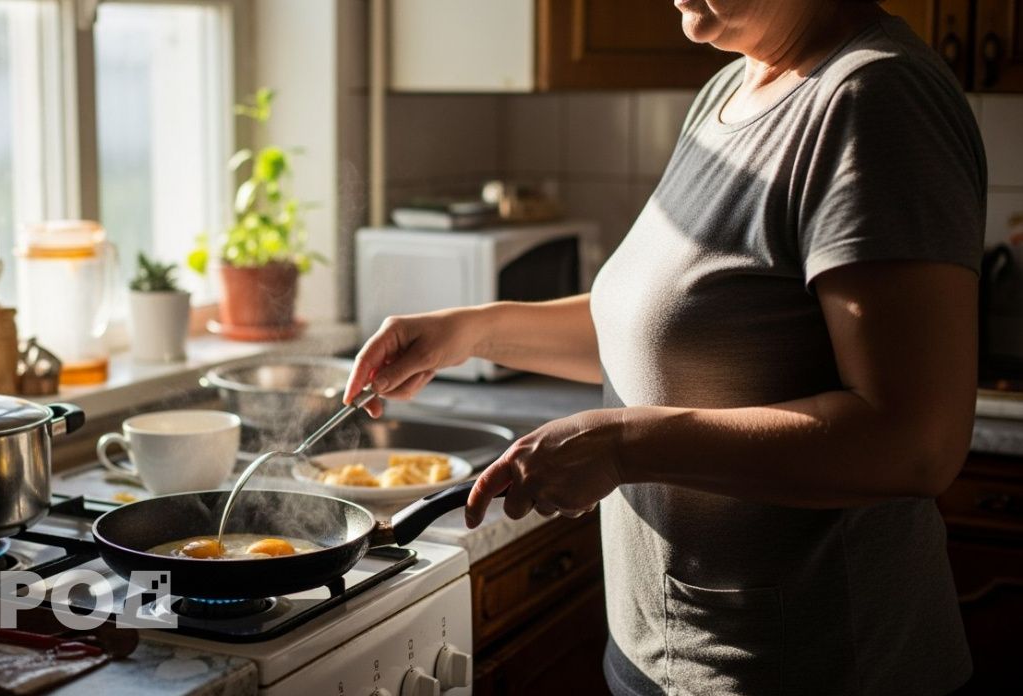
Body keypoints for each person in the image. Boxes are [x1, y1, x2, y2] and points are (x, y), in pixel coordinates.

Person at [343, 1, 985, 694]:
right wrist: (470, 331)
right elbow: (661, 331)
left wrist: (625, 445)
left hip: (802, 668)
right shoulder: (728, 90)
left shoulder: (874, 98)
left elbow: (914, 442)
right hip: (665, 660)